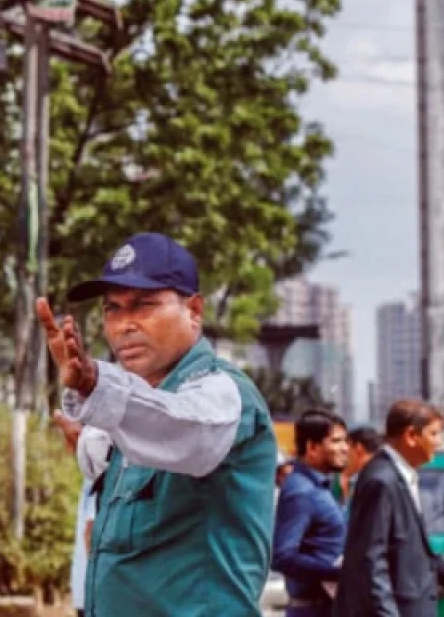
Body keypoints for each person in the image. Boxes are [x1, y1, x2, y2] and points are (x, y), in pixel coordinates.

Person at [38, 232, 278, 617]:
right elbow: (138, 429)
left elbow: (183, 429)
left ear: (194, 311)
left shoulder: (223, 391)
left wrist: (92, 384)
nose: (124, 325)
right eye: (112, 309)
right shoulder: (137, 408)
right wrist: (89, 433)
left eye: (143, 305)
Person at [333, 399, 444, 617]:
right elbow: (371, 562)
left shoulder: (401, 476)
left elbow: (414, 551)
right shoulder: (382, 481)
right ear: (411, 436)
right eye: (434, 434)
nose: (439, 443)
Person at [272, 409, 348, 617]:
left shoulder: (322, 487)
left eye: (345, 441)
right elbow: (282, 556)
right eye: (336, 441)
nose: (345, 448)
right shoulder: (301, 492)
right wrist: (337, 573)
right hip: (313, 609)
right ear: (312, 447)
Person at [53, 411, 107, 617]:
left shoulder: (98, 471)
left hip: (94, 596)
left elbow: (92, 533)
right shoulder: (93, 474)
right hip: (90, 594)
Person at [337, 425, 382, 506]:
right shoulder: (382, 471)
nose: (345, 458)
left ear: (358, 448)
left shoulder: (369, 481)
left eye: (347, 452)